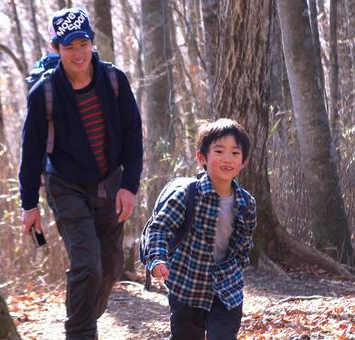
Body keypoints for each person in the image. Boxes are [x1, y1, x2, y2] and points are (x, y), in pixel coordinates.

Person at [18, 7, 143, 340]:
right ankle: (79, 331)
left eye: (82, 44)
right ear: (56, 47)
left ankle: (83, 316)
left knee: (110, 265)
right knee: (87, 263)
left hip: (110, 183)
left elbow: (133, 134)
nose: (77, 53)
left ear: (92, 42)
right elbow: (30, 153)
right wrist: (29, 204)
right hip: (66, 185)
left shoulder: (114, 80)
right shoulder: (44, 93)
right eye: (68, 45)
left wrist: (129, 186)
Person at [143, 118, 257, 340]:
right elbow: (159, 228)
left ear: (243, 162)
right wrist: (157, 259)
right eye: (219, 151)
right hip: (187, 285)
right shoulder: (188, 194)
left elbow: (245, 242)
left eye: (235, 153)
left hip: (227, 289)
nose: (227, 159)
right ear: (202, 157)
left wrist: (237, 268)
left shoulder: (247, 203)